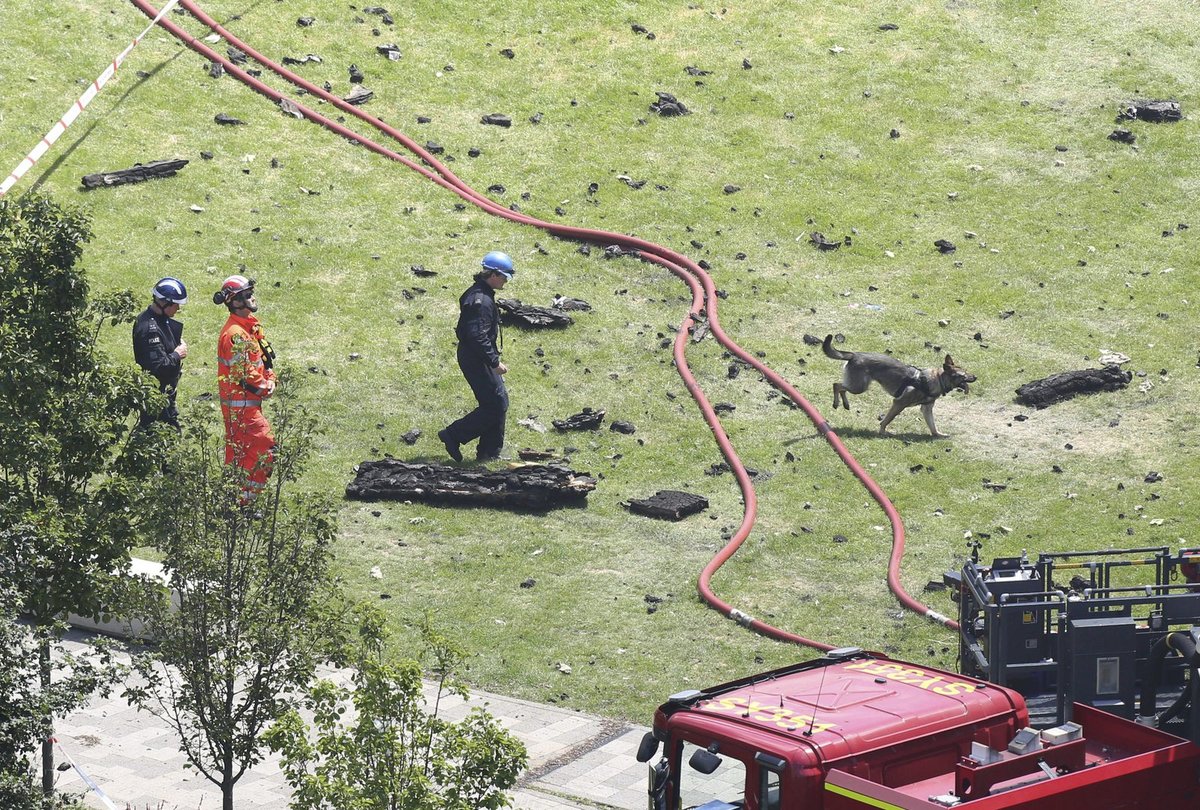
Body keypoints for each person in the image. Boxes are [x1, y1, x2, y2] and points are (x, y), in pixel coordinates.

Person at [439, 251, 514, 462]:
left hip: (479, 356)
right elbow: (476, 335)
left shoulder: (482, 294)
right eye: (505, 277)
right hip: (476, 359)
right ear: (494, 275)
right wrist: (494, 362)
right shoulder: (480, 300)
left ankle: (489, 453)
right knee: (495, 404)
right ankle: (453, 434)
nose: (506, 281)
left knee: (498, 402)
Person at [213, 274, 277, 494]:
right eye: (247, 295)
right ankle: (243, 502)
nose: (252, 298)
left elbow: (263, 360)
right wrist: (265, 386)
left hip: (246, 406)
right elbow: (244, 371)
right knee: (266, 448)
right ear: (235, 302)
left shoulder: (249, 328)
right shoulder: (235, 335)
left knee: (239, 454)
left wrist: (271, 379)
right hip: (241, 409)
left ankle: (234, 501)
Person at [132, 277, 189, 429]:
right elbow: (158, 367)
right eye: (176, 304)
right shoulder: (150, 329)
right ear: (165, 302)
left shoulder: (158, 319)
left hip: (165, 397)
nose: (178, 308)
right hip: (157, 399)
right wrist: (178, 354)